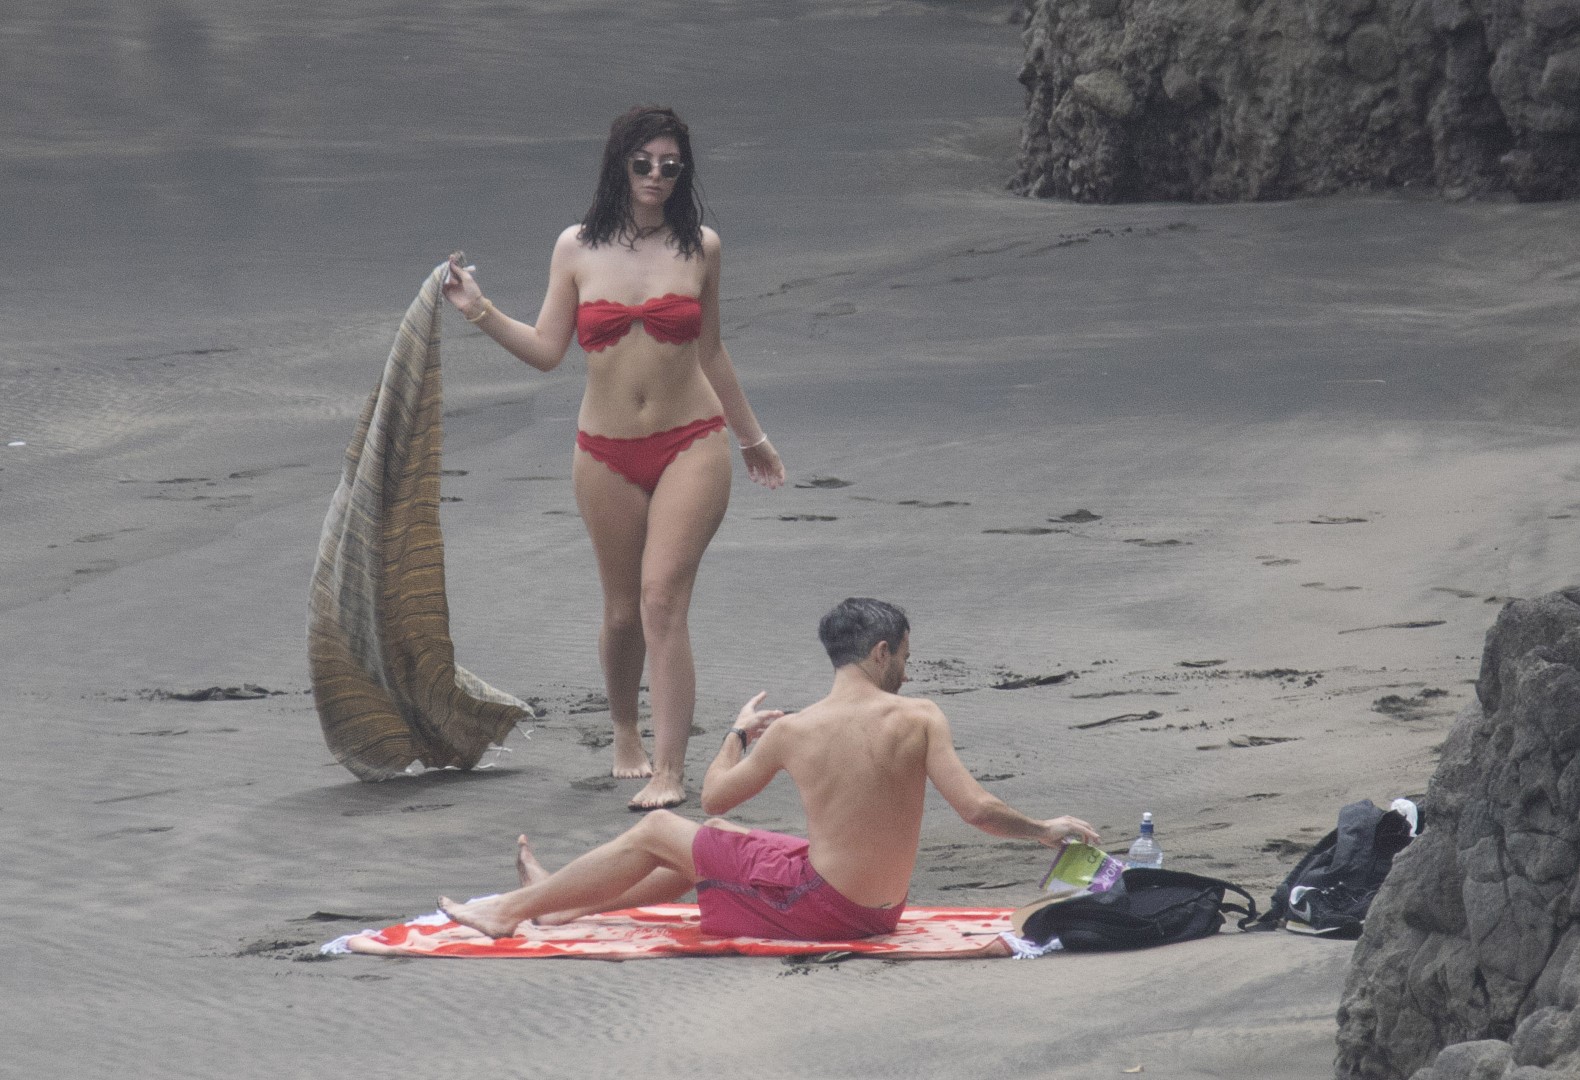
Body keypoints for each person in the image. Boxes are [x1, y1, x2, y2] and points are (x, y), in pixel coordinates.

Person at [441, 105, 785, 810]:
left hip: (691, 440)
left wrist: (752, 438)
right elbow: (547, 350)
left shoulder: (702, 247)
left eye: (670, 165)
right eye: (643, 163)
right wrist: (478, 309)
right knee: (623, 612)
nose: (656, 175)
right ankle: (625, 730)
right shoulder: (575, 248)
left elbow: (711, 351)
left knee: (662, 599)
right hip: (603, 453)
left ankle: (670, 769)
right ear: (619, 166)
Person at [439, 598, 1099, 941]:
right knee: (716, 845)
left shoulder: (792, 730)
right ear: (880, 652)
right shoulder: (920, 716)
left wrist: (737, 733)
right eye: (904, 656)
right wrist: (1044, 828)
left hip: (825, 908)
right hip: (878, 909)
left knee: (660, 830)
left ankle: (510, 912)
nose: (907, 669)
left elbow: (715, 795)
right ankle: (562, 908)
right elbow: (977, 809)